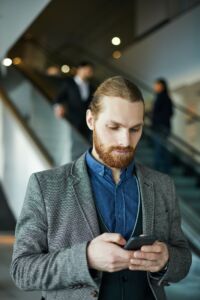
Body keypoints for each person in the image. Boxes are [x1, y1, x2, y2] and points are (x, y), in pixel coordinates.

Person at [11, 76, 191, 300]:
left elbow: (183, 257)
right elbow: (22, 270)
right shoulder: (46, 186)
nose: (125, 141)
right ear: (90, 120)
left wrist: (166, 259)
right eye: (114, 127)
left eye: (135, 129)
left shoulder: (162, 185)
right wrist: (85, 259)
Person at [54, 61, 95, 139]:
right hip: (72, 120)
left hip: (86, 122)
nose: (90, 72)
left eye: (91, 70)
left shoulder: (91, 87)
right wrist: (58, 107)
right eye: (88, 70)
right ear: (80, 69)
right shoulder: (69, 83)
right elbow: (59, 97)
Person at [151, 78, 174, 173]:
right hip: (164, 126)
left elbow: (167, 112)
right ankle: (166, 169)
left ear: (162, 86)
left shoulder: (162, 97)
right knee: (162, 148)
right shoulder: (165, 97)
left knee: (159, 148)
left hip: (161, 127)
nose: (155, 87)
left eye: (157, 85)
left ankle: (158, 169)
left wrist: (156, 121)